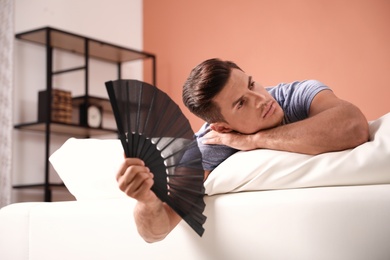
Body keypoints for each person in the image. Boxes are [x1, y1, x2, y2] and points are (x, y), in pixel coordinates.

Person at [116, 58, 369, 243]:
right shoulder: (209, 146)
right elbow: (155, 232)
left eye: (251, 84)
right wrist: (146, 201)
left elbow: (354, 126)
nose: (261, 98)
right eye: (241, 103)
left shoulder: (296, 95)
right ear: (223, 127)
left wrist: (257, 140)